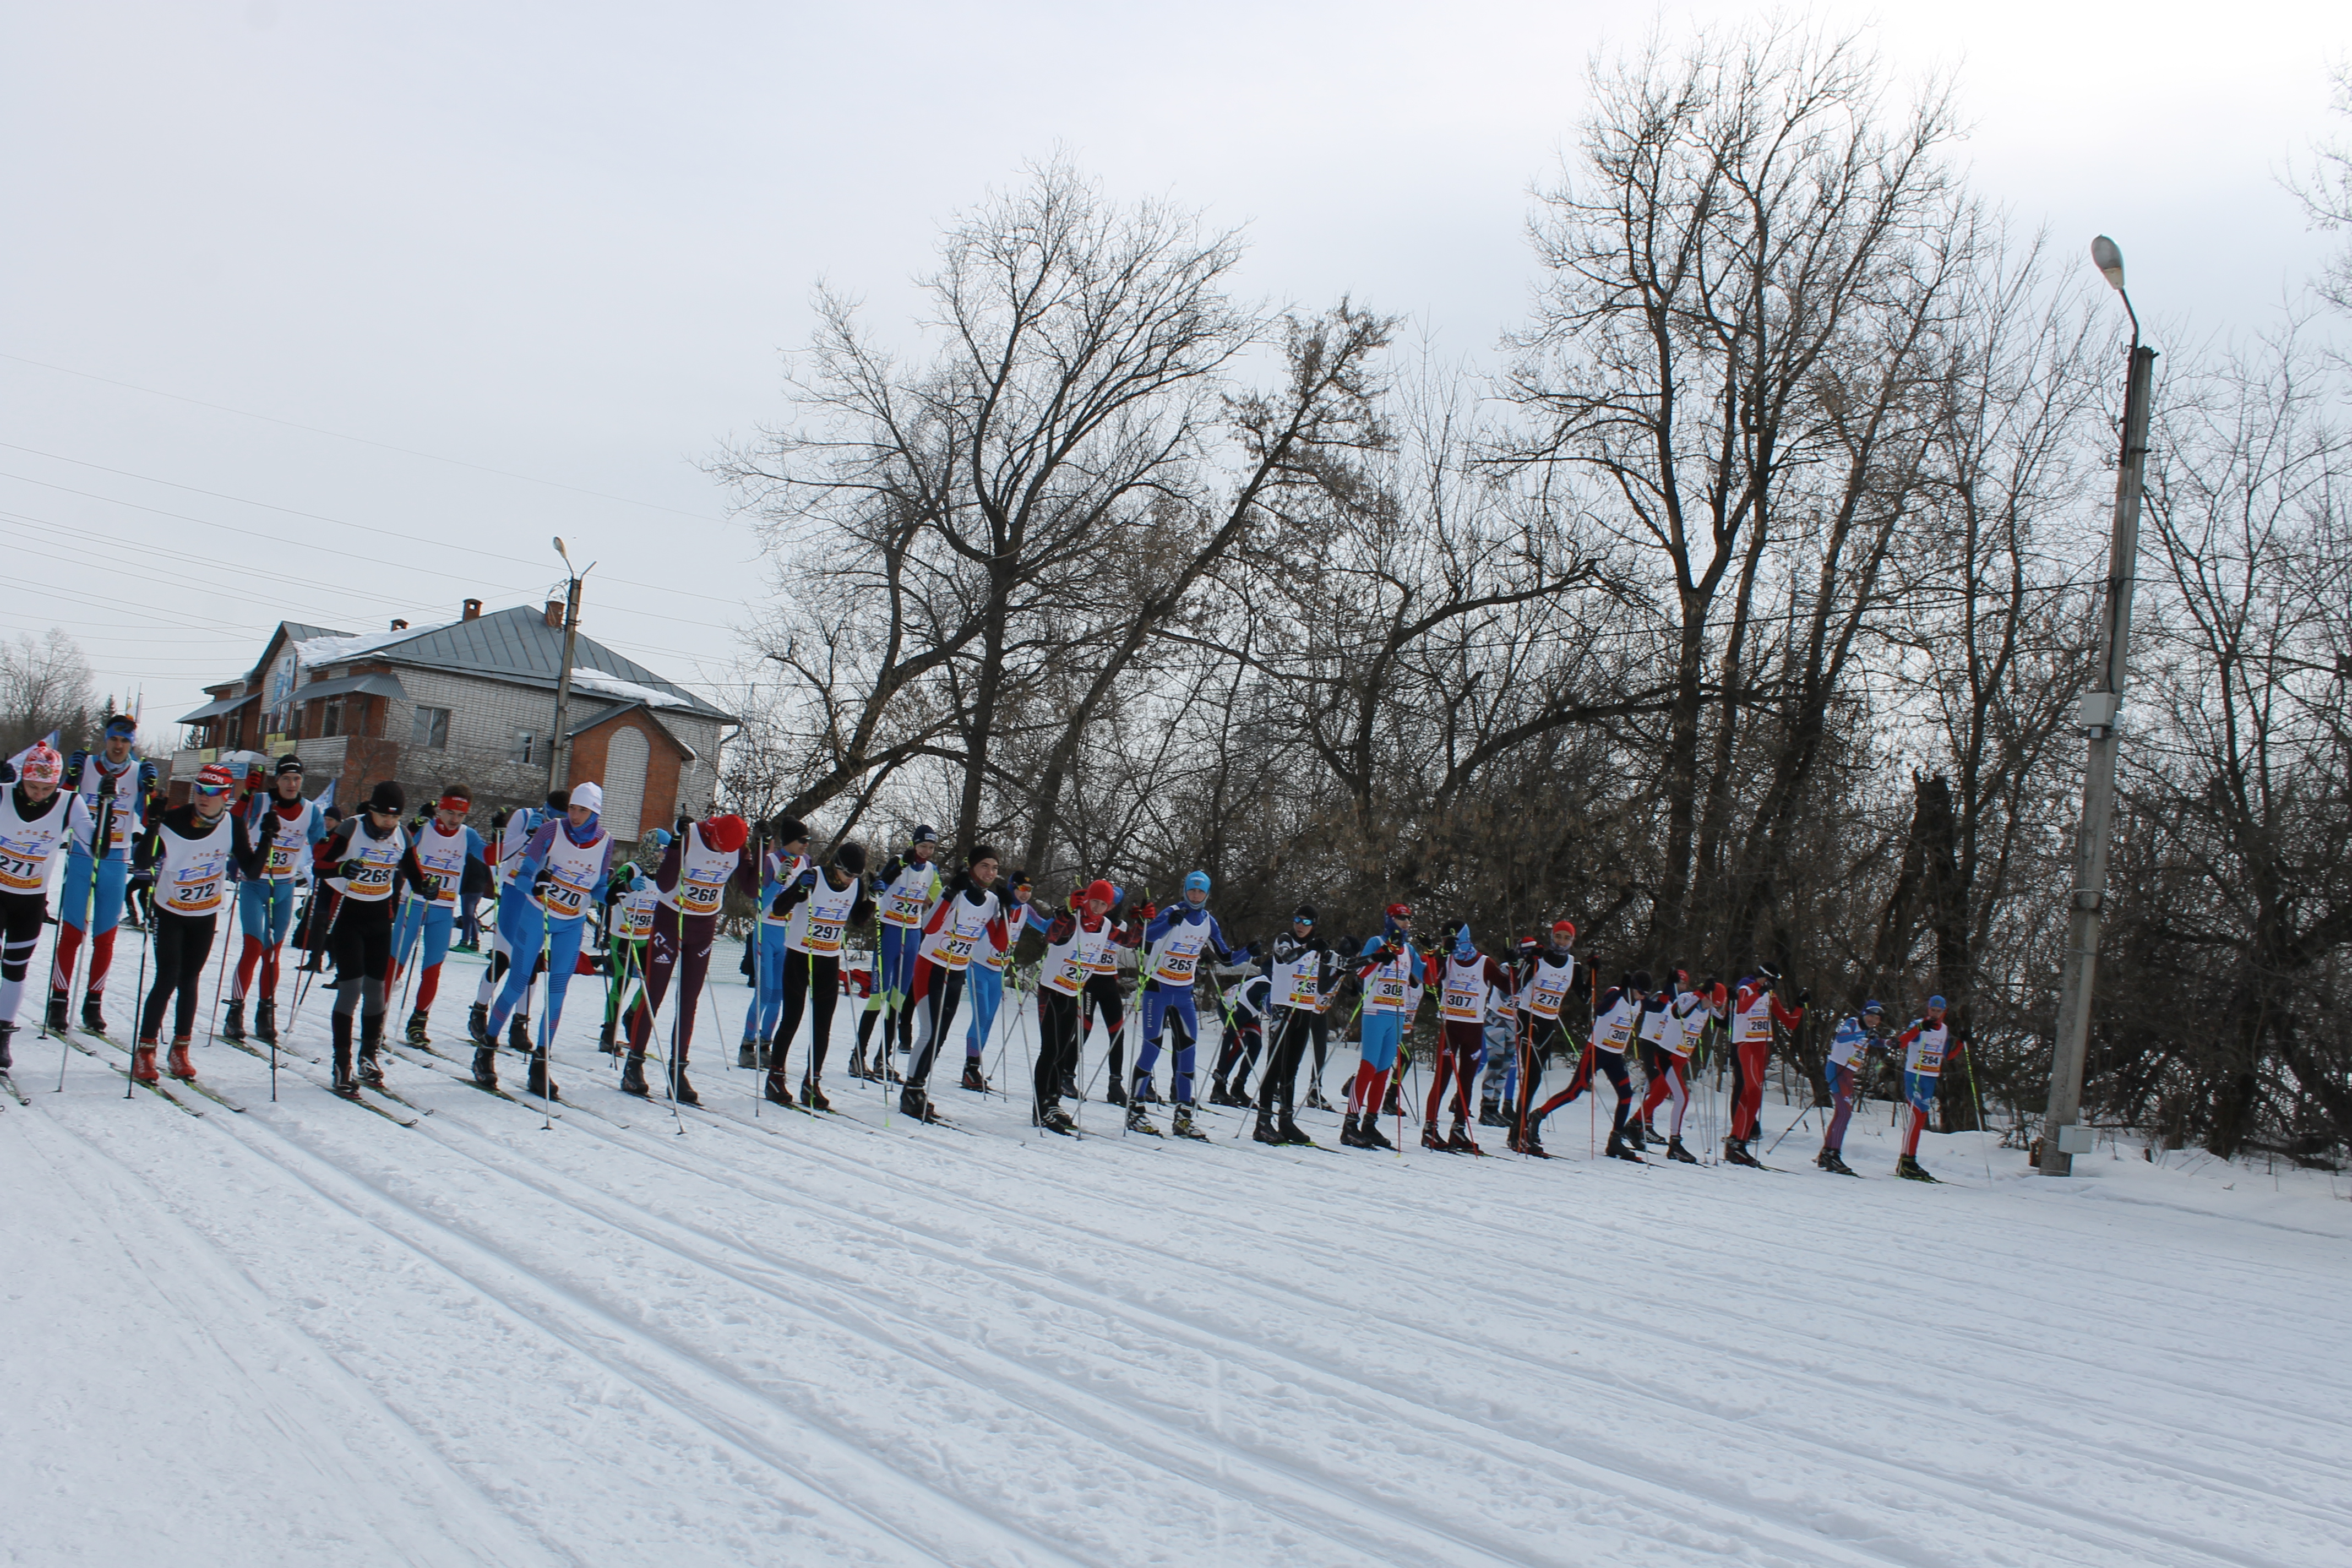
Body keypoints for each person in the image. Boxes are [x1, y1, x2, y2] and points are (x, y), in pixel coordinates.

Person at [128, 761, 272, 1082]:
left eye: (212, 792)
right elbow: (142, 862)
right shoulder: (176, 819)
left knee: (190, 980)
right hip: (171, 910)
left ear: (226, 796)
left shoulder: (233, 825)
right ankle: (145, 1050)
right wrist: (154, 825)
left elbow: (250, 870)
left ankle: (180, 1049)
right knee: (166, 978)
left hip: (204, 913)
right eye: (199, 790)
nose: (204, 797)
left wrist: (267, 838)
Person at [480, 781, 618, 1101]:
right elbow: (525, 877)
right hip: (537, 913)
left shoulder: (606, 842)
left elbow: (596, 888)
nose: (575, 815)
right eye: (572, 808)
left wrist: (610, 894)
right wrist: (537, 882)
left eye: (582, 810)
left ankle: (540, 1064)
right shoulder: (550, 831)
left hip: (571, 923)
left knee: (557, 993)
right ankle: (487, 1048)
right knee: (517, 985)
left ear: (594, 812)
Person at [614, 809, 755, 1106]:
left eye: (728, 851)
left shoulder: (737, 846)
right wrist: (677, 845)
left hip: (703, 926)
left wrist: (760, 852)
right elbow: (665, 884)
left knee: (689, 999)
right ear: (713, 835)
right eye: (719, 847)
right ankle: (634, 1064)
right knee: (655, 993)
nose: (721, 854)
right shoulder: (692, 835)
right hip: (671, 920)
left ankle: (678, 1070)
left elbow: (751, 889)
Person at [313, 780, 433, 1095]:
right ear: (372, 811)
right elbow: (321, 866)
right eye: (384, 818)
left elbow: (414, 873)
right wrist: (343, 867)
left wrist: (427, 888)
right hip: (350, 916)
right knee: (351, 989)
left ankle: (369, 1056)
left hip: (381, 918)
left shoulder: (402, 836)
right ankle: (342, 1063)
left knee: (377, 991)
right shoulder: (351, 829)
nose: (388, 824)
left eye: (394, 818)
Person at [47, 715, 159, 1036]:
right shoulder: (87, 767)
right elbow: (61, 808)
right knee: (71, 935)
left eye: (125, 741)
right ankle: (59, 1001)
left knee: (105, 939)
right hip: (83, 858)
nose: (119, 746)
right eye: (114, 740)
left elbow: (149, 817)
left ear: (131, 744)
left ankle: (93, 1003)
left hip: (116, 861)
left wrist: (150, 791)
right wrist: (70, 778)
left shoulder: (137, 772)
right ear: (105, 739)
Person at [748, 839, 872, 1109]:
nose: (851, 880)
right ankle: (776, 1077)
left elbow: (859, 920)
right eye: (848, 874)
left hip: (828, 959)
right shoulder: (814, 877)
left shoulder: (855, 885)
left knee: (823, 1025)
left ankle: (812, 1082)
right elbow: (779, 909)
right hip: (800, 955)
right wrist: (797, 890)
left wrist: (873, 898)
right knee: (792, 1017)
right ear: (836, 866)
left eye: (856, 876)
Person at [896, 846, 1009, 1122]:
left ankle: (918, 1087)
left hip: (957, 970)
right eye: (984, 866)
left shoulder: (992, 900)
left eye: (994, 868)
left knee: (941, 1035)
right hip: (932, 966)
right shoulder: (956, 893)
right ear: (971, 866)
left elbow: (1001, 944)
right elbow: (929, 927)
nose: (990, 873)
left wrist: (1007, 911)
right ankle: (910, 1090)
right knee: (929, 1031)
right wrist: (948, 894)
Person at [0, 743, 92, 1071]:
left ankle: (3, 1038)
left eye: (46, 788)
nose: (38, 794)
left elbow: (96, 845)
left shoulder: (70, 802)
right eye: (32, 787)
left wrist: (105, 810)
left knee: (15, 967)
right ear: (22, 778)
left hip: (31, 900)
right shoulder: (3, 793)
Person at [223, 755, 326, 1046]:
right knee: (253, 947)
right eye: (286, 779)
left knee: (273, 952)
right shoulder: (260, 802)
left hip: (285, 886)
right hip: (255, 885)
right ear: (277, 781)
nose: (292, 785)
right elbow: (233, 820)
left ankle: (265, 1012)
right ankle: (235, 1011)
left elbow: (321, 848)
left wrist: (332, 860)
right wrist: (245, 793)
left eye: (297, 780)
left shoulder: (311, 812)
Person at [1128, 870, 1239, 1140]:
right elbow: (1147, 936)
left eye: (1200, 892)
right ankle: (1136, 1109)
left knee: (1188, 1051)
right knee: (1152, 1048)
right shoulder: (1172, 911)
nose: (1196, 896)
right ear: (1185, 891)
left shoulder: (1209, 921)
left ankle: (1183, 1116)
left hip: (1184, 993)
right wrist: (1168, 924)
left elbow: (1225, 956)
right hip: (1158, 989)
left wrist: (1251, 952)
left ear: (1207, 894)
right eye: (1192, 891)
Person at [388, 786, 487, 1046]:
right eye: (450, 813)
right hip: (413, 904)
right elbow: (398, 847)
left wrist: (504, 834)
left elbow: (491, 856)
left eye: (460, 816)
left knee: (432, 970)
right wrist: (411, 828)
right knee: (395, 964)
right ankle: (376, 1016)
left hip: (443, 911)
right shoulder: (425, 828)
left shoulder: (468, 835)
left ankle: (418, 1023)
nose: (454, 820)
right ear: (440, 809)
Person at [471, 791, 567, 1052]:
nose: (554, 821)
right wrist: (528, 835)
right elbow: (501, 855)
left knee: (532, 965)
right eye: (552, 815)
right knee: (503, 958)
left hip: (535, 899)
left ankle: (519, 1024)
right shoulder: (524, 817)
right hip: (514, 891)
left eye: (561, 818)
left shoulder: (565, 831)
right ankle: (479, 1010)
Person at [853, 824, 943, 1076]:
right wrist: (883, 881)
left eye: (931, 848)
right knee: (877, 998)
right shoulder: (899, 862)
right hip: (890, 931)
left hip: (912, 935)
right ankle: (858, 1056)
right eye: (923, 846)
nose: (926, 851)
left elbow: (941, 898)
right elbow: (881, 881)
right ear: (914, 844)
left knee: (898, 1001)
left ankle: (883, 1058)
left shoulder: (931, 871)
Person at [1531, 970, 1647, 1161]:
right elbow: (1601, 1010)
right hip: (1597, 1051)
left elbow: (1659, 1007)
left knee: (1626, 1095)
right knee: (1574, 1091)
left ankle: (1615, 1140)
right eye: (1640, 991)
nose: (1642, 996)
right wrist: (1622, 991)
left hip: (1615, 1056)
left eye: (1645, 994)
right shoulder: (1615, 993)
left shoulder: (1640, 1002)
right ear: (1632, 987)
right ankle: (1538, 1116)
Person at [1030, 880, 1118, 1135]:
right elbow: (1051, 936)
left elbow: (1133, 941)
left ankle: (1053, 1102)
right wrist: (1067, 911)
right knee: (1050, 1050)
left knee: (1062, 1052)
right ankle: (1040, 1106)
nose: (1098, 908)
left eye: (1104, 904)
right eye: (1095, 902)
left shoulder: (1106, 926)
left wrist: (1145, 921)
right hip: (1051, 991)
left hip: (1072, 993)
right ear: (1087, 899)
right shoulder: (1072, 919)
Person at [1423, 922, 1515, 1154]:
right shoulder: (1447, 960)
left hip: (1473, 1030)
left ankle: (1459, 1129)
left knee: (1466, 1081)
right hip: (1450, 1028)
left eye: (1448, 939)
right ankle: (1430, 1130)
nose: (1447, 944)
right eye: (1444, 940)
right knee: (1442, 1079)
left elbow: (1509, 988)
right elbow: (1432, 981)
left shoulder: (1484, 963)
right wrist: (1441, 955)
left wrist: (1515, 967)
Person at [1251, 906, 1340, 1145]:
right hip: (1283, 1008)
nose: (1301, 925)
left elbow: (1344, 964)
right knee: (1275, 1065)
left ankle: (1286, 1120)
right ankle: (1263, 1122)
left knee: (1292, 1068)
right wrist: (1308, 948)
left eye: (1307, 922)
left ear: (1314, 925)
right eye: (1297, 920)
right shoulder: (1286, 940)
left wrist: (1371, 958)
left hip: (1304, 1011)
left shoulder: (1318, 947)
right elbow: (1284, 957)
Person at [1341, 903, 1423, 1150]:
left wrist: (1435, 954)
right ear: (1390, 920)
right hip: (1376, 1011)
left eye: (1408, 919)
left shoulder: (1409, 949)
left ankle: (1370, 1123)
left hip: (1397, 1015)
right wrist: (1382, 953)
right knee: (1368, 1068)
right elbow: (1362, 972)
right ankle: (1350, 1125)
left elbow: (1427, 976)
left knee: (1384, 1071)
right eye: (1400, 918)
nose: (1406, 923)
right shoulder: (1376, 941)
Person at [739, 816, 812, 1068]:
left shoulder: (806, 862)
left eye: (808, 840)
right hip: (767, 930)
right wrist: (780, 881)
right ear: (790, 840)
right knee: (765, 991)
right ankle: (748, 1044)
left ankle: (765, 1044)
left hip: (789, 935)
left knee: (779, 995)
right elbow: (760, 903)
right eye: (803, 840)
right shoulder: (770, 861)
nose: (806, 845)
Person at [1505, 921, 1579, 1156]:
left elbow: (1586, 997)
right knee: (1532, 1076)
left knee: (1535, 1079)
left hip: (1549, 1022)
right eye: (1558, 936)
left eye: (1567, 938)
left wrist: (1594, 970)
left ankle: (1518, 1132)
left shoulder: (1572, 965)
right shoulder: (1539, 958)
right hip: (1529, 1018)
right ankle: (1518, 1133)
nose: (1562, 942)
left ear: (1572, 941)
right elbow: (1516, 986)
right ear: (1551, 937)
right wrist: (1529, 962)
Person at [1724, 965, 1808, 1167]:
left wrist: (1799, 1005)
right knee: (1753, 1091)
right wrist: (1760, 990)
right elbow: (1742, 1007)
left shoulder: (1770, 996)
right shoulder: (1747, 988)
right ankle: (1739, 1143)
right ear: (1763, 978)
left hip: (1762, 1047)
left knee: (1750, 1094)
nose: (1774, 986)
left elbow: (1790, 1023)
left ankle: (1737, 1142)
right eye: (1771, 981)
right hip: (1746, 1044)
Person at [1638, 970, 1717, 1164]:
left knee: (1661, 1090)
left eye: (1684, 984)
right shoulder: (1671, 998)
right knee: (1657, 1085)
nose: (1681, 987)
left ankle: (1639, 1123)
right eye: (1679, 983)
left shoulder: (1691, 1001)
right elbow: (1656, 1009)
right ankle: (1644, 1125)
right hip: (1652, 1043)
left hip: (1669, 1048)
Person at [963, 867, 1033, 1082]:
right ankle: (970, 1068)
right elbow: (979, 926)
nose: (1025, 893)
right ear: (1012, 888)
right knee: (981, 1017)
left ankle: (973, 1069)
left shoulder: (1026, 911)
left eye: (1029, 889)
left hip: (997, 973)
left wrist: (1066, 916)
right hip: (978, 967)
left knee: (989, 1020)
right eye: (1021, 888)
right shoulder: (995, 903)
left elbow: (1049, 928)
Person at [598, 831, 666, 1054]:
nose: (663, 854)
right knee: (621, 982)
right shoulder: (631, 869)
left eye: (666, 850)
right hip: (623, 935)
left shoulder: (663, 875)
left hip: (644, 938)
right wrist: (626, 888)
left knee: (649, 985)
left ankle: (630, 1018)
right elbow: (608, 898)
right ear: (649, 848)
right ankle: (608, 1033)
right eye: (660, 849)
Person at [1080, 887, 1150, 1104]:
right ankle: (1066, 1074)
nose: (1108, 910)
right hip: (1089, 981)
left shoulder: (1119, 926)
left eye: (1112, 906)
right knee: (1084, 1028)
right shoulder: (1091, 922)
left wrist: (1140, 922)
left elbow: (1134, 942)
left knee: (1117, 1032)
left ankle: (1115, 1084)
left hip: (1109, 981)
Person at [1891, 997, 1966, 1182]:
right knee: (1916, 1117)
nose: (1935, 1014)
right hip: (1914, 1076)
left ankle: (1910, 1160)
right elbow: (1901, 1043)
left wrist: (1961, 1043)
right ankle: (1906, 1162)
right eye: (1932, 1010)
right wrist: (1919, 1028)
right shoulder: (1919, 1024)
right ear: (1928, 1009)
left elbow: (1948, 1055)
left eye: (1939, 1011)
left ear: (1944, 1012)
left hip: (1930, 1079)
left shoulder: (1945, 1030)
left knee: (1922, 1118)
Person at [1817, 999, 1890, 1175]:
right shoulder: (1852, 1023)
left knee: (1842, 1113)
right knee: (1845, 1113)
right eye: (1871, 1016)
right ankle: (1834, 1154)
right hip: (1837, 1068)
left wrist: (1891, 1043)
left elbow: (1877, 1042)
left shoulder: (1869, 1031)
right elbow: (1841, 1038)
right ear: (1864, 1014)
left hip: (1848, 1073)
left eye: (1877, 1019)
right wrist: (1863, 1035)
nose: (1873, 1021)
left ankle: (1827, 1152)